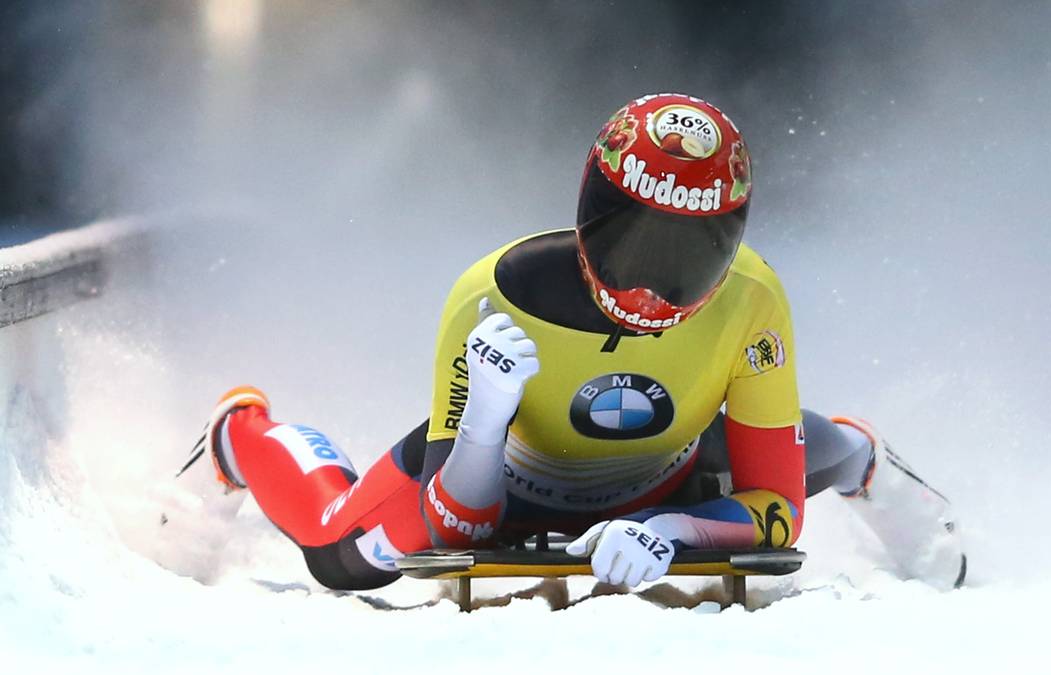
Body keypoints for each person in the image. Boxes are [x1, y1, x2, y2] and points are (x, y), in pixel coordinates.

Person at [181, 93, 966, 592]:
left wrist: (671, 529)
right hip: (508, 476)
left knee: (797, 445)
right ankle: (238, 433)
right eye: (634, 243)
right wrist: (484, 424)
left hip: (674, 468)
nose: (652, 290)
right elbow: (454, 525)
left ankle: (869, 462)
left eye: (688, 259)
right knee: (338, 553)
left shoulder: (754, 299)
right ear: (590, 212)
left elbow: (779, 505)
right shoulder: (490, 296)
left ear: (729, 250)